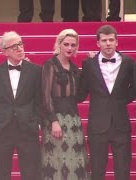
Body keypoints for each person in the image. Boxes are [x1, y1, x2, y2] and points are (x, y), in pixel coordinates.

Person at [0, 31, 42, 180]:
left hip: (28, 128)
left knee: (32, 173)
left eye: (21, 44)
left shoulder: (36, 70)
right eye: (14, 46)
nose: (19, 48)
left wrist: (37, 123)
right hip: (2, 130)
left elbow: (39, 101)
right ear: (4, 52)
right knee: (0, 174)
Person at [79, 24, 134, 180]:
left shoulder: (129, 62)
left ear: (117, 42)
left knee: (123, 170)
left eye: (111, 40)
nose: (108, 43)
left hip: (120, 124)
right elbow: (81, 91)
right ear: (98, 43)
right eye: (104, 40)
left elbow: (135, 88)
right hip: (97, 126)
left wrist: (120, 100)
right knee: (97, 170)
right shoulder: (89, 64)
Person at [41, 29, 90, 179]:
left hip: (74, 121)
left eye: (73, 45)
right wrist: (54, 121)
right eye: (66, 44)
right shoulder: (50, 65)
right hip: (56, 120)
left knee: (75, 162)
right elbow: (45, 96)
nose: (70, 48)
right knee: (56, 162)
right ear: (59, 45)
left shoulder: (75, 69)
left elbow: (80, 97)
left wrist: (88, 67)